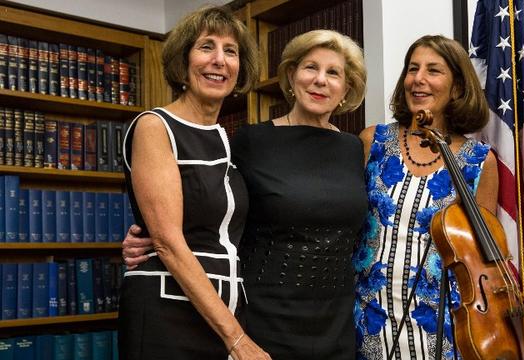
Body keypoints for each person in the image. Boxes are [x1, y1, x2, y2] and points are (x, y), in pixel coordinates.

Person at [122, 29, 368, 359]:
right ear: (292, 76)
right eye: (310, 68)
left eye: (333, 72)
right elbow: (209, 202)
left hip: (336, 317)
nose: (320, 80)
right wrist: (147, 236)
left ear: (347, 88)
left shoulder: (355, 149)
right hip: (266, 316)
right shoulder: (251, 141)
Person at [117, 5, 270, 359]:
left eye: (230, 51)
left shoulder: (226, 139)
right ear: (183, 61)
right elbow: (168, 242)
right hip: (167, 315)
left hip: (226, 311)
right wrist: (237, 339)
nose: (219, 60)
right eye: (206, 47)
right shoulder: (155, 127)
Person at [353, 34, 498, 360]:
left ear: (458, 87)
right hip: (367, 322)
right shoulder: (371, 141)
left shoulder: (480, 161)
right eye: (412, 68)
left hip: (443, 331)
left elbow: (483, 263)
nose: (418, 79)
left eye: (433, 70)